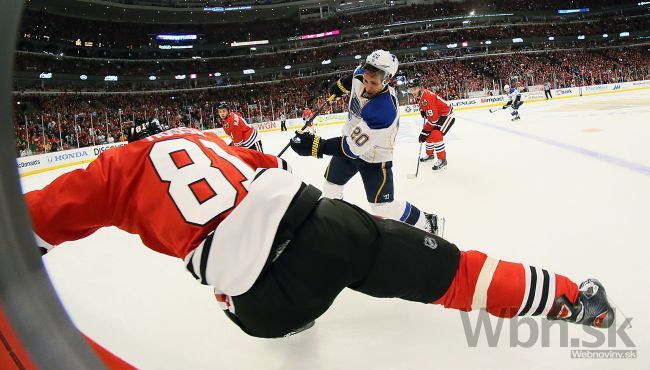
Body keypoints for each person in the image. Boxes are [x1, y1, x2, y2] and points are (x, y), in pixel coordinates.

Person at [25, 122, 615, 339]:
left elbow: (28, 223)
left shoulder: (109, 172)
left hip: (264, 306)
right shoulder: (207, 139)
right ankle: (575, 303)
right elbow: (272, 169)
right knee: (456, 274)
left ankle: (299, 315)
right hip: (321, 228)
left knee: (236, 294)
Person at [289, 50, 443, 235]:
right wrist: (340, 87)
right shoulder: (361, 74)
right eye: (367, 79)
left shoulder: (384, 110)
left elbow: (350, 148)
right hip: (348, 143)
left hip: (374, 157)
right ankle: (337, 224)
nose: (368, 86)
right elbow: (352, 78)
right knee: (331, 187)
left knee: (382, 207)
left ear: (386, 80)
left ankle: (427, 222)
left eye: (374, 83)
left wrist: (317, 146)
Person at [407, 79, 455, 172]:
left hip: (447, 115)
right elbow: (424, 105)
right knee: (428, 135)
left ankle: (442, 160)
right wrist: (422, 110)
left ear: (420, 88)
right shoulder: (421, 95)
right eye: (411, 90)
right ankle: (430, 155)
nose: (413, 92)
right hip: (438, 115)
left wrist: (424, 131)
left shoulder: (426, 97)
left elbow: (433, 120)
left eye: (415, 89)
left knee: (435, 134)